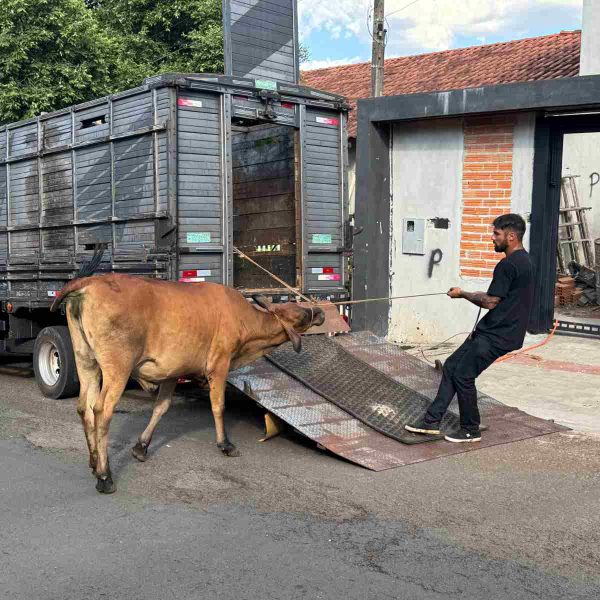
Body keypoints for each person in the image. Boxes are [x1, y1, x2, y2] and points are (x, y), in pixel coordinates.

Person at [405, 213, 534, 443]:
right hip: (498, 331)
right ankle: (431, 421)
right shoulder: (526, 260)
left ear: (511, 236)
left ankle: (470, 429)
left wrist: (462, 293)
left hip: (498, 335)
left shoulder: (508, 265)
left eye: (496, 234)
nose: (492, 238)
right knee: (452, 366)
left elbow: (490, 301)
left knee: (464, 375)